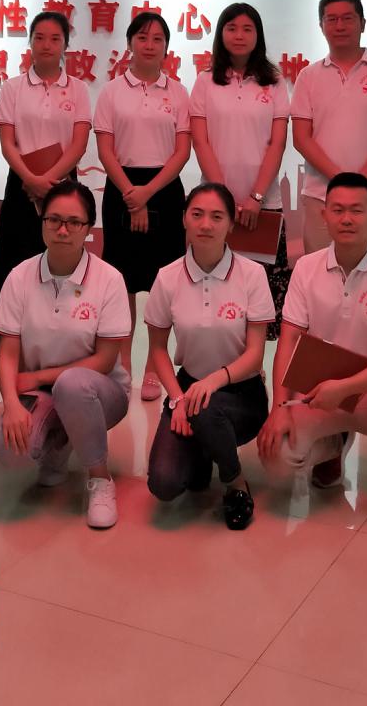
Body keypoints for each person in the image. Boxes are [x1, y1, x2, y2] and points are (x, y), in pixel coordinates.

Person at [257, 173, 367, 533]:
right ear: (324, 215)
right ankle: (333, 444)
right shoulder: (306, 268)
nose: (346, 219)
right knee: (276, 458)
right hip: (317, 394)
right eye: (337, 210)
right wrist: (278, 409)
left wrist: (345, 388)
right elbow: (288, 341)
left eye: (357, 210)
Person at [0, 179, 132, 529]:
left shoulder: (109, 279)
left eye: (74, 222)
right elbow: (7, 353)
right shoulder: (19, 276)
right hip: (41, 393)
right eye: (54, 220)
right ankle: (59, 443)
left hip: (100, 392)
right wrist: (11, 404)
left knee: (71, 386)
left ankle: (100, 478)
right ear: (42, 221)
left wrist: (37, 377)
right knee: (10, 452)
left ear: (88, 228)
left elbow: (104, 361)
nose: (63, 230)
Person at [145, 182, 273, 529]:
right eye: (197, 214)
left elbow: (255, 355)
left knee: (204, 407)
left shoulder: (252, 275)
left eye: (217, 217)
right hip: (187, 389)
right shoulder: (167, 277)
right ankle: (205, 447)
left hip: (241, 392)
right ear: (184, 219)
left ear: (231, 224)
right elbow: (157, 349)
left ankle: (235, 482)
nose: (206, 224)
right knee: (164, 483)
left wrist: (213, 382)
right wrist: (177, 399)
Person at [93, 12, 191, 401]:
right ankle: (122, 363)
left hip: (163, 189)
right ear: (130, 43)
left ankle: (154, 365)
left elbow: (182, 152)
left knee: (162, 283)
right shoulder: (111, 91)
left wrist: (147, 193)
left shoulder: (178, 92)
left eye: (157, 39)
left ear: (166, 47)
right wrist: (131, 194)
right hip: (122, 187)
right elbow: (105, 149)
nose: (150, 45)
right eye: (142, 37)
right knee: (124, 282)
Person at [0, 11, 92, 354]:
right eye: (39, 38)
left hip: (64, 191)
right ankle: (11, 350)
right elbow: (7, 143)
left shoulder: (78, 89)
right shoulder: (13, 87)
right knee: (16, 268)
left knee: (62, 266)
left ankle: (62, 345)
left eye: (55, 39)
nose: (47, 45)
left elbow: (79, 144)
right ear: (30, 42)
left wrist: (50, 180)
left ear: (65, 45)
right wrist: (31, 179)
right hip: (22, 188)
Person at [190, 2, 291, 330]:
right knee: (215, 296)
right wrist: (224, 200)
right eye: (232, 28)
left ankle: (254, 360)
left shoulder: (274, 82)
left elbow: (277, 143)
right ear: (221, 34)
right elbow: (201, 142)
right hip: (215, 209)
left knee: (258, 301)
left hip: (263, 207)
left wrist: (256, 197)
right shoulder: (205, 82)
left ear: (258, 35)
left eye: (248, 29)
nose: (239, 35)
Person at [290, 0, 367, 254]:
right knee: (320, 271)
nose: (339, 26)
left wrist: (360, 183)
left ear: (362, 23)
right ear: (321, 26)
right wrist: (341, 181)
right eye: (331, 19)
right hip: (321, 196)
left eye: (347, 18)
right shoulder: (308, 76)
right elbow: (301, 138)